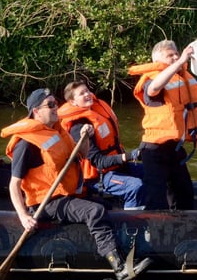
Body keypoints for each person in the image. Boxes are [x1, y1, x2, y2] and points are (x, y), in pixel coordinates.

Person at [1, 88, 151, 280]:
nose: (56, 108)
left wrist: (85, 136)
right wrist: (23, 216)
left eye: (56, 103)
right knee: (94, 211)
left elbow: (81, 154)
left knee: (105, 204)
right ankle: (119, 268)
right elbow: (14, 185)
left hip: (68, 193)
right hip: (46, 202)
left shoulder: (56, 131)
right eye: (51, 105)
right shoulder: (26, 144)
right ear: (36, 111)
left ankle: (126, 251)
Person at [128, 39, 197, 210]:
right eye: (170, 55)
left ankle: (182, 228)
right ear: (157, 61)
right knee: (156, 198)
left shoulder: (185, 79)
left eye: (176, 54)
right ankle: (153, 230)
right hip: (154, 150)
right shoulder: (150, 80)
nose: (175, 57)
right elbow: (154, 89)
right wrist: (180, 62)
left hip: (175, 149)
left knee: (185, 194)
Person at [58, 80, 145, 210]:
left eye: (87, 91)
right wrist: (129, 156)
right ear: (73, 102)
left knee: (152, 171)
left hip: (115, 166)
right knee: (135, 186)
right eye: (81, 94)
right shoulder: (79, 127)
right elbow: (99, 162)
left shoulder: (97, 110)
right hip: (97, 176)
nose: (87, 94)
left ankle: (155, 211)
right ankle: (132, 226)